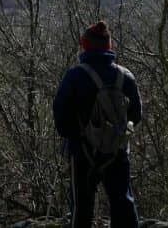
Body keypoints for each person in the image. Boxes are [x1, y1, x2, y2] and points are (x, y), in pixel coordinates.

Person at [53, 21, 142, 228]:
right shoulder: (125, 76)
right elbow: (136, 115)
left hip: (82, 151)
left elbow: (60, 112)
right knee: (123, 204)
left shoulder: (75, 76)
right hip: (117, 151)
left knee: (82, 207)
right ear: (108, 46)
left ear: (84, 45)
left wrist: (72, 137)